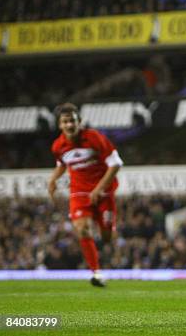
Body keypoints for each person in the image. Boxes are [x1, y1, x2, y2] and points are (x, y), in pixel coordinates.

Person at [47, 103, 123, 287]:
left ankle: (105, 233)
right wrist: (53, 180)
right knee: (81, 228)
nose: (69, 125)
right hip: (79, 193)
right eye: (65, 122)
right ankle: (96, 273)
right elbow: (63, 163)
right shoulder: (58, 146)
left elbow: (116, 163)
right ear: (60, 125)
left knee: (106, 236)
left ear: (79, 122)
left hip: (104, 192)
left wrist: (98, 189)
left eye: (72, 121)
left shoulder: (94, 138)